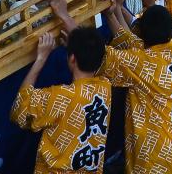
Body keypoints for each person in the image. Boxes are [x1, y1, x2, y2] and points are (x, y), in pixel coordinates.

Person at [62, 0, 172, 174]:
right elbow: (132, 43)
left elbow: (99, 54)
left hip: (162, 160)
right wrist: (113, 13)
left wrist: (66, 18)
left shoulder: (144, 63)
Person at [11, 29, 113, 174]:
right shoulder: (105, 87)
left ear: (72, 59)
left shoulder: (59, 96)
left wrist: (41, 58)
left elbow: (19, 111)